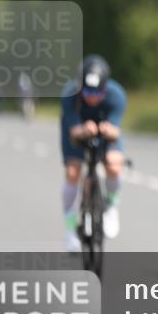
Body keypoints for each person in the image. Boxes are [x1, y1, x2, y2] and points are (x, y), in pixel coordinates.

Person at [59, 55, 127, 251]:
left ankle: (111, 207)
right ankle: (70, 230)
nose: (92, 96)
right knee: (73, 172)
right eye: (87, 91)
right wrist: (83, 130)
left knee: (114, 164)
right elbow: (73, 130)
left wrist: (107, 129)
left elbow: (116, 130)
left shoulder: (117, 95)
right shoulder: (69, 95)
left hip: (105, 132)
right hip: (77, 131)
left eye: (98, 92)